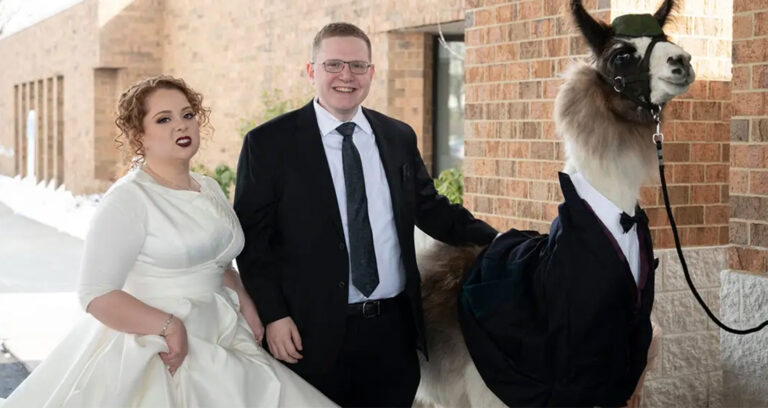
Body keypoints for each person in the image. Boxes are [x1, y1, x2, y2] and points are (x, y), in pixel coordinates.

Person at [1, 75, 335, 407]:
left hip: (225, 332)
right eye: (164, 119)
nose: (181, 126)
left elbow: (215, 259)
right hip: (160, 347)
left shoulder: (208, 188)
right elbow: (96, 294)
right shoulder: (129, 199)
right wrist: (169, 327)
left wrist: (244, 297)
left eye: (188, 115)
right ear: (138, 135)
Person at [234, 22, 498, 407]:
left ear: (372, 72)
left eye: (358, 66)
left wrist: (503, 242)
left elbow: (432, 209)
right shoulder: (269, 144)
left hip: (392, 333)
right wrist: (274, 315)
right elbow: (253, 242)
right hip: (309, 334)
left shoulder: (397, 137)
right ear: (312, 71)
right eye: (334, 65)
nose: (347, 76)